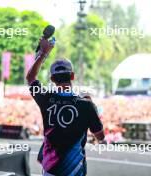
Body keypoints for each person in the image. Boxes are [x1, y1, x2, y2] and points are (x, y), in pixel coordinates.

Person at [26, 37, 105, 176]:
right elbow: (100, 136)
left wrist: (43, 54)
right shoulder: (86, 105)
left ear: (52, 79)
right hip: (75, 171)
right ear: (72, 76)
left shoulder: (45, 98)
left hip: (50, 169)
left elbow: (31, 78)